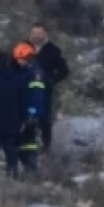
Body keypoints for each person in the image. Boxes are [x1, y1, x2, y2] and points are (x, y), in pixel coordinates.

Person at [28, 23, 70, 154]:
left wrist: (51, 81)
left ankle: (46, 146)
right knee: (25, 116)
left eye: (39, 33)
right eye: (34, 33)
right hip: (24, 90)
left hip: (44, 91)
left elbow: (64, 70)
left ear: (45, 34)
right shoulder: (23, 47)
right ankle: (25, 146)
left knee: (44, 119)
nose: (36, 36)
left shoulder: (53, 50)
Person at [12, 41, 46, 174]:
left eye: (19, 59)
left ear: (26, 57)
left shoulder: (34, 73)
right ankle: (27, 169)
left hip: (31, 113)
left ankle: (30, 169)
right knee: (23, 142)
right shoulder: (26, 71)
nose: (18, 61)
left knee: (29, 141)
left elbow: (37, 96)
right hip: (25, 113)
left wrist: (32, 113)